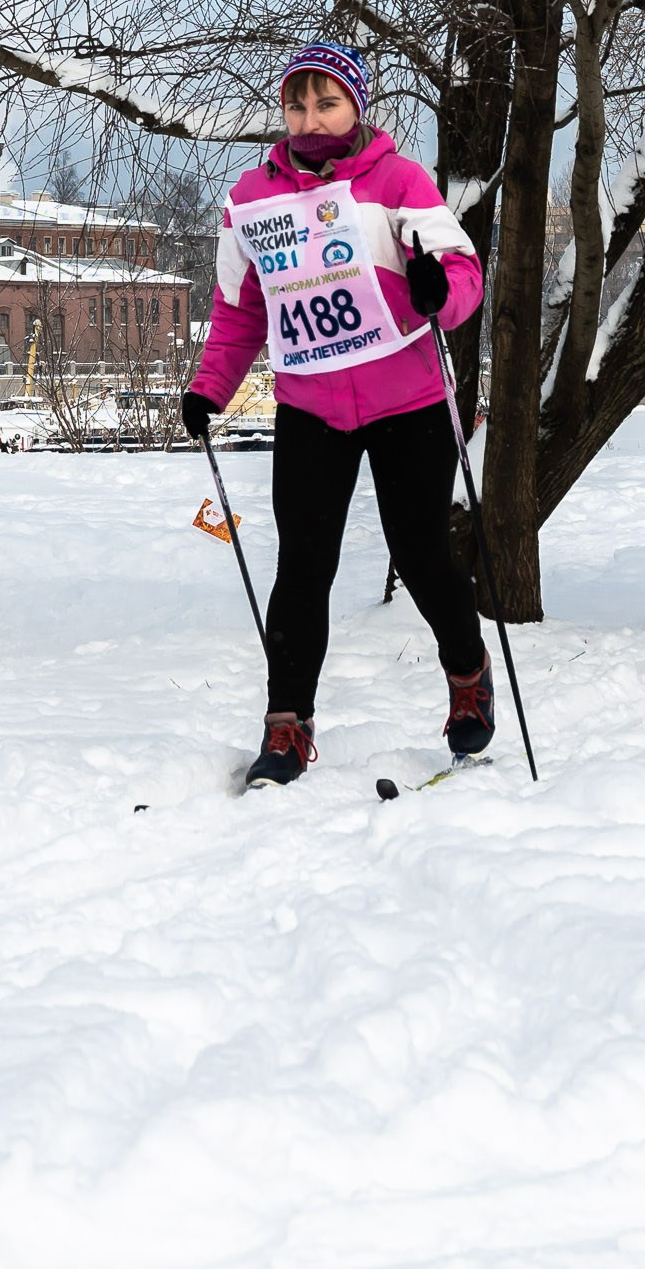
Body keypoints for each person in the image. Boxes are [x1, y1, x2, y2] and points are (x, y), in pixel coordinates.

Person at [180, 43, 493, 788]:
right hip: (311, 405)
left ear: (356, 106)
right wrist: (210, 389)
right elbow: (237, 310)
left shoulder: (398, 181)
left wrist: (433, 292)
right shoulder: (251, 198)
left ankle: (466, 673)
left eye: (326, 103)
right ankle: (286, 727)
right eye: (297, 103)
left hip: (407, 400)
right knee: (302, 568)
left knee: (420, 556)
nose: (310, 118)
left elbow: (464, 274)